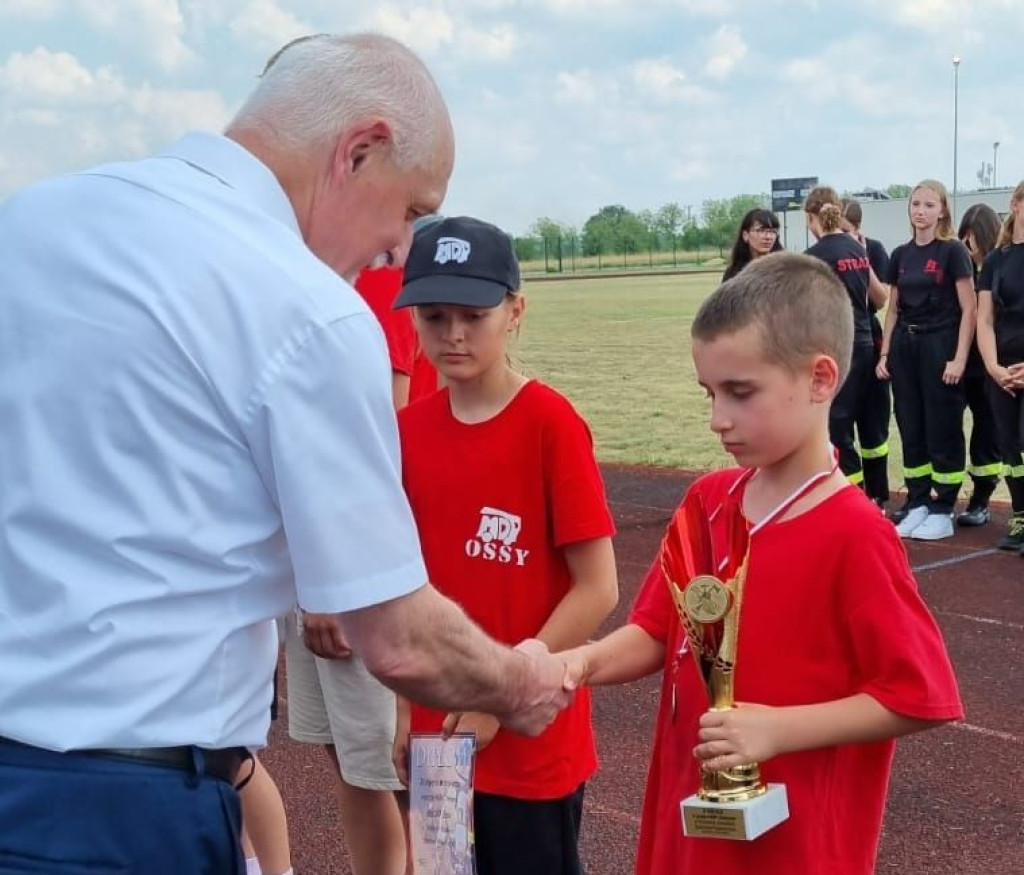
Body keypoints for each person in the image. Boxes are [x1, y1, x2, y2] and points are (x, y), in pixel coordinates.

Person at [0, 33, 579, 873]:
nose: (397, 251)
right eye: (412, 210)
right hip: (129, 808)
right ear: (359, 150)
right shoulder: (306, 308)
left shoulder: (30, 223)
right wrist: (517, 682)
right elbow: (400, 639)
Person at [561, 253, 963, 875]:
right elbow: (656, 632)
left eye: (740, 393)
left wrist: (778, 730)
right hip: (688, 830)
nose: (717, 418)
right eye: (709, 392)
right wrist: (577, 663)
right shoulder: (705, 503)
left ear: (820, 379)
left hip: (793, 848)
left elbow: (919, 696)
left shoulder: (856, 534)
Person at [392, 216, 619, 875]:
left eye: (474, 314)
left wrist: (503, 693)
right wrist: (404, 707)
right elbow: (408, 585)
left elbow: (597, 585)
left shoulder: (550, 424)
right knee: (443, 869)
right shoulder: (408, 433)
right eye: (434, 316)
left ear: (515, 311)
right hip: (438, 736)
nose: (453, 334)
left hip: (528, 734)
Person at [877, 180, 976, 540]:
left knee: (942, 426)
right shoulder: (900, 255)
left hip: (940, 344)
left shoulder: (952, 252)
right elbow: (892, 309)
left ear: (943, 211)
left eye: (929, 205)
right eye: (916, 204)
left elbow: (970, 309)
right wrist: (885, 352)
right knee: (910, 425)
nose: (920, 210)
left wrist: (959, 358)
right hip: (906, 345)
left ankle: (943, 506)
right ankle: (918, 501)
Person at [804, 186, 890, 508]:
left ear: (810, 217)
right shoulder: (857, 248)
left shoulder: (814, 258)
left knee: (838, 428)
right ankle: (878, 497)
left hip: (839, 348)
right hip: (868, 341)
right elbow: (879, 299)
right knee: (872, 427)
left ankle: (852, 500)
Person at [976, 181, 1024, 551]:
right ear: (1015, 204)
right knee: (1010, 446)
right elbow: (985, 319)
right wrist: (992, 365)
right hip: (1003, 368)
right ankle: (1020, 515)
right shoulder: (995, 260)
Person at [840, 198, 894, 507]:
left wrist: (861, 257)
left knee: (874, 428)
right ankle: (852, 498)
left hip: (867, 342)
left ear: (857, 228)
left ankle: (878, 497)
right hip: (837, 344)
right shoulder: (824, 252)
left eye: (844, 230)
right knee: (839, 426)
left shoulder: (873, 249)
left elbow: (880, 299)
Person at [956, 203, 1004, 526]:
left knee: (987, 433)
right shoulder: (960, 267)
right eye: (964, 237)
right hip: (960, 363)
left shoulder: (1001, 266)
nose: (968, 244)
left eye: (973, 238)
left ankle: (981, 499)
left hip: (990, 363)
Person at [721, 208, 783, 281]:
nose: (768, 237)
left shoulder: (785, 270)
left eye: (773, 231)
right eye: (761, 231)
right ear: (745, 235)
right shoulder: (733, 274)